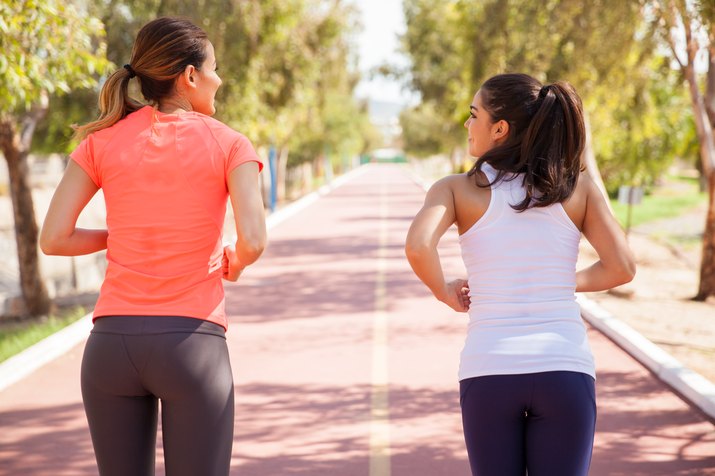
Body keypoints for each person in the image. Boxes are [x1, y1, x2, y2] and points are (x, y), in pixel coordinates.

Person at [40, 17, 266, 476]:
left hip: (109, 348)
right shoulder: (230, 144)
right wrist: (236, 264)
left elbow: (53, 238)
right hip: (191, 346)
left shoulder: (99, 143)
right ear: (188, 76)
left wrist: (123, 236)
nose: (219, 79)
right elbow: (254, 239)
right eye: (214, 68)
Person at [405, 73, 636, 476]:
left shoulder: (456, 189)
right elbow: (622, 267)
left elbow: (418, 246)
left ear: (499, 129)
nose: (467, 123)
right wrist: (565, 282)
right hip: (565, 368)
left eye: (473, 114)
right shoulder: (576, 187)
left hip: (490, 370)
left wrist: (443, 290)